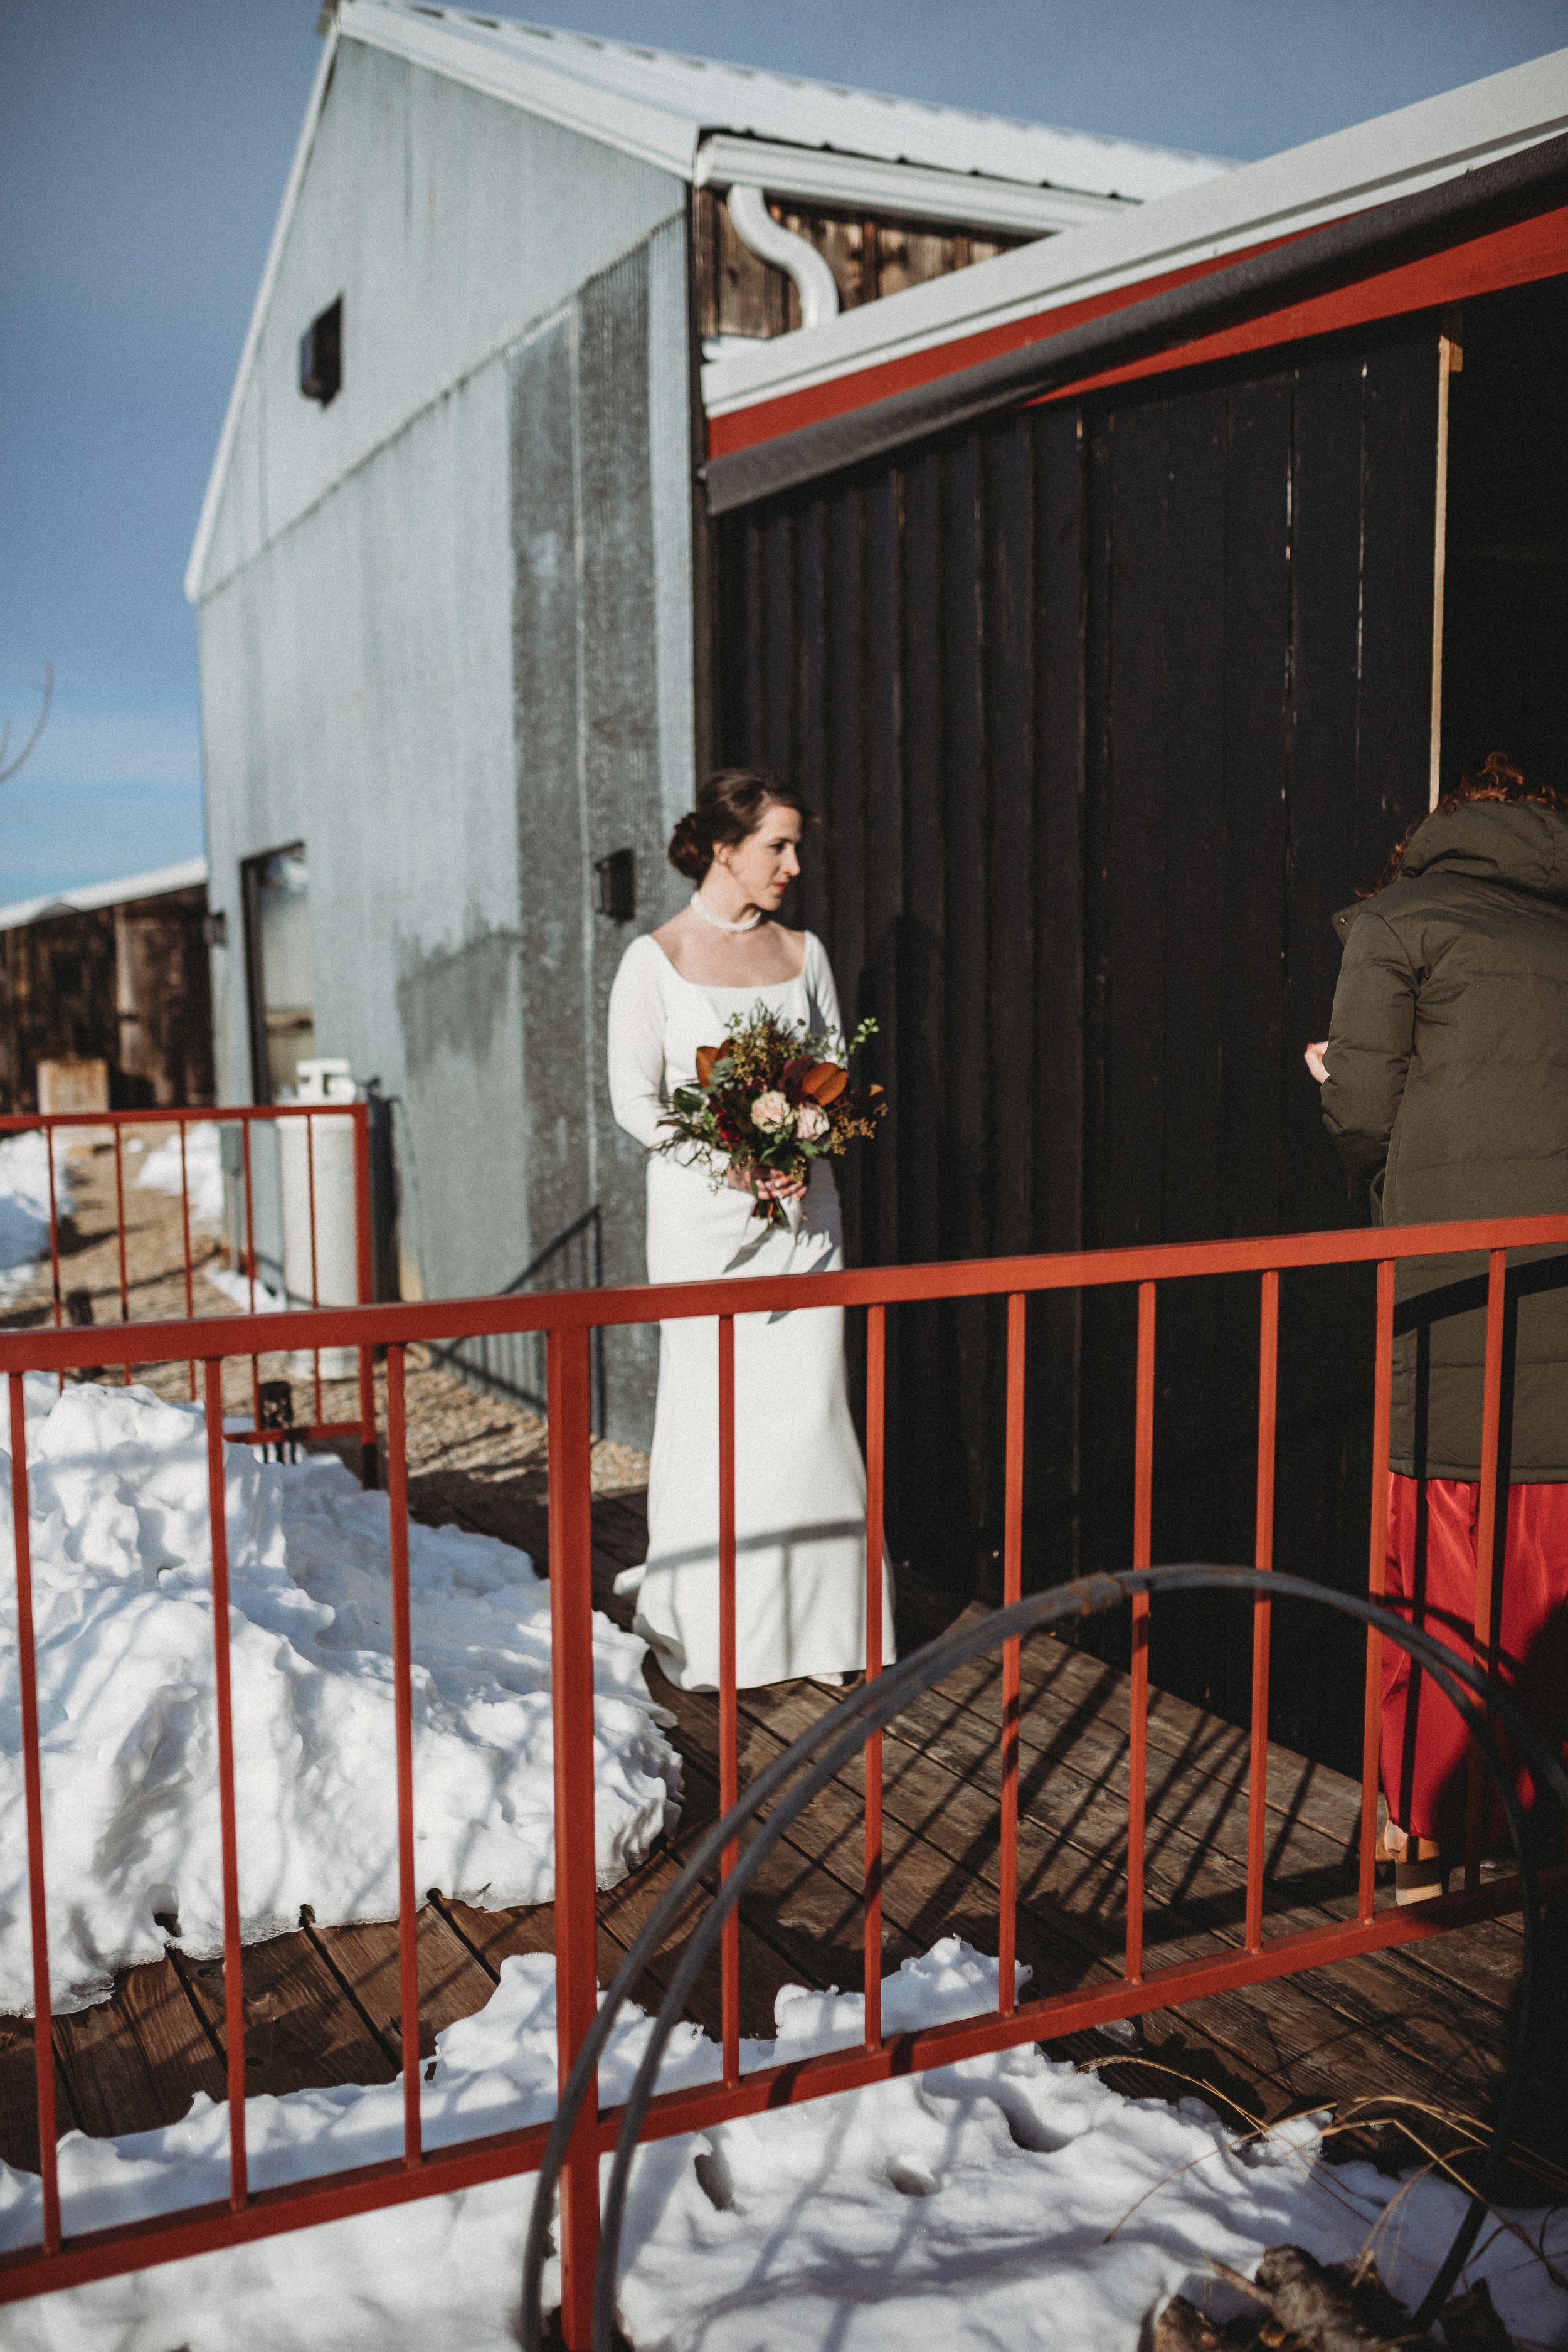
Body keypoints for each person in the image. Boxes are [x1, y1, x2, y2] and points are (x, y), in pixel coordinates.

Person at [1309, 753, 1568, 1899]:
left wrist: (1339, 1096)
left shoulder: (1400, 920)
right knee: (1552, 1539)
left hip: (1454, 1278)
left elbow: (1362, 1113)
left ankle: (1427, 1830)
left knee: (1441, 1540)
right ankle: (1541, 1824)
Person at [607, 767, 896, 1692]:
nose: (794, 864)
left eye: (796, 846)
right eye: (778, 845)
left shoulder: (804, 952)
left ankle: (832, 1626)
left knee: (812, 1409)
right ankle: (725, 1634)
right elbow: (633, 1101)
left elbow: (829, 1075)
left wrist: (804, 1135)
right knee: (714, 1417)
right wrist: (725, 1157)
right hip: (702, 1227)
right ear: (723, 848)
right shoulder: (652, 960)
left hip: (803, 1221)